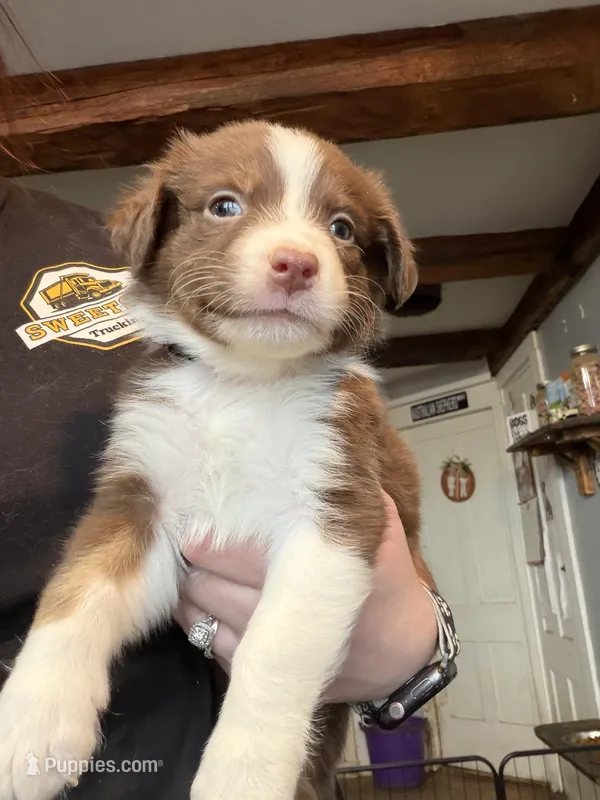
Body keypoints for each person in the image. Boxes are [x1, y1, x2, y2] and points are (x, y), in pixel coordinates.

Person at [0, 14, 443, 798]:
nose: (297, 254)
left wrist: (420, 646)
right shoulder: (161, 386)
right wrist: (56, 670)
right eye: (229, 205)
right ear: (158, 231)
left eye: (340, 227)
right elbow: (134, 536)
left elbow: (337, 548)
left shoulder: (333, 402)